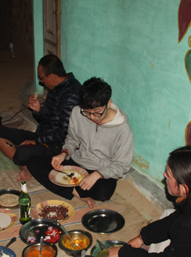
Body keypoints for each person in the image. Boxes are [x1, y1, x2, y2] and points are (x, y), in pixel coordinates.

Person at [27, 77, 134, 208]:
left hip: (101, 170)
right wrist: (64, 153)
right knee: (34, 163)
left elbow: (122, 165)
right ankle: (75, 192)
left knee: (103, 193)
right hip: (77, 162)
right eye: (87, 112)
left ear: (109, 103)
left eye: (97, 113)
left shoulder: (123, 130)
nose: (92, 117)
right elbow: (72, 139)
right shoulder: (77, 112)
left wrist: (97, 174)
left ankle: (75, 188)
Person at [0, 54, 81, 181]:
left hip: (58, 145)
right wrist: (38, 111)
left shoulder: (72, 95)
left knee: (22, 151)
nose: (41, 81)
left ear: (53, 76)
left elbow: (64, 134)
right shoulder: (54, 87)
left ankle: (28, 162)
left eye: (42, 78)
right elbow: (46, 121)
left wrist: (37, 141)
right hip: (43, 136)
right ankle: (25, 167)